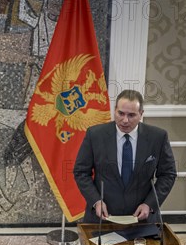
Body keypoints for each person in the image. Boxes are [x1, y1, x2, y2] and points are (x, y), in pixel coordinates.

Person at [73, 89, 177, 223]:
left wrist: (150, 205)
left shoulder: (157, 137)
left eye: (131, 115)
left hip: (142, 219)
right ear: (114, 110)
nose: (125, 120)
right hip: (102, 218)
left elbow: (168, 174)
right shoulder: (95, 135)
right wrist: (96, 201)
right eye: (120, 113)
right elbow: (81, 172)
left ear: (141, 114)